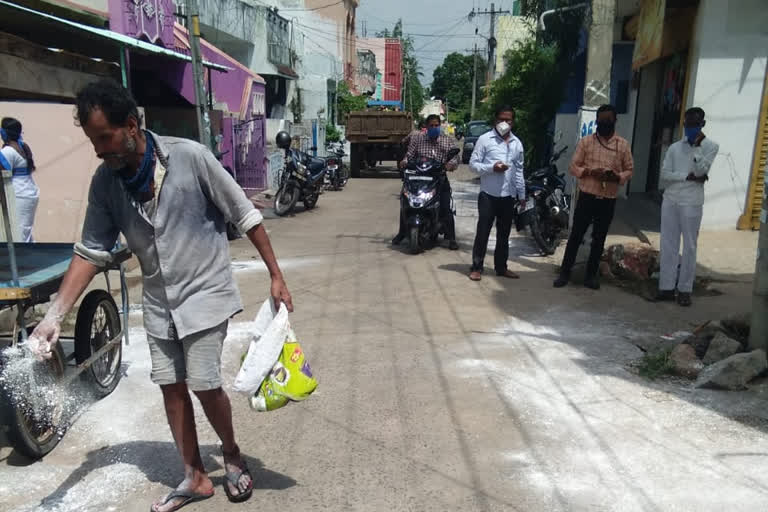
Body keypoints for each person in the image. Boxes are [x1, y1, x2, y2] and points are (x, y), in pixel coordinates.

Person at [27, 79, 293, 512]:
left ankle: (230, 452)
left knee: (206, 385)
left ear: (130, 126)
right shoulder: (106, 182)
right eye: (92, 140)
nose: (98, 149)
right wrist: (55, 314)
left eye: (104, 138)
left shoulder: (189, 158)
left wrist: (276, 275)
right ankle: (196, 477)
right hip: (159, 302)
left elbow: (245, 214)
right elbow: (90, 251)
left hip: (206, 293)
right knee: (171, 388)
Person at [553, 104, 634, 290]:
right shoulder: (586, 142)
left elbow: (629, 169)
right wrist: (589, 171)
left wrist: (617, 177)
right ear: (596, 120)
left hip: (608, 199)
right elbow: (573, 167)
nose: (604, 123)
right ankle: (565, 273)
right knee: (576, 236)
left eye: (608, 120)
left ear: (615, 121)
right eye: (601, 120)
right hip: (587, 197)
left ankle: (591, 276)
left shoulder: (622, 145)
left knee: (599, 239)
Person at [657, 107, 718, 307]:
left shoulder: (711, 147)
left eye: (694, 125)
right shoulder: (675, 148)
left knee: (690, 246)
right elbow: (665, 174)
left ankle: (685, 290)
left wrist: (697, 148)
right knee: (668, 244)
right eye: (687, 125)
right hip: (671, 199)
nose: (690, 128)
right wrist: (686, 177)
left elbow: (701, 171)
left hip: (691, 202)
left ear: (702, 124)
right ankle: (666, 287)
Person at [468, 105, 525, 282]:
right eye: (501, 119)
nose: (504, 123)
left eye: (508, 120)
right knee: (483, 231)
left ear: (513, 122)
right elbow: (472, 165)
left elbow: (519, 171)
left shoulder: (517, 143)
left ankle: (501, 268)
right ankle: (477, 267)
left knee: (504, 234)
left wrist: (522, 195)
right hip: (488, 195)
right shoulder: (485, 140)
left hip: (508, 196)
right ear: (495, 120)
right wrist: (491, 168)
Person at [392, 114, 460, 250]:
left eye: (436, 125)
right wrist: (404, 162)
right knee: (406, 201)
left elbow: (455, 157)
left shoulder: (446, 141)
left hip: (438, 178)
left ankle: (451, 237)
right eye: (431, 125)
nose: (434, 128)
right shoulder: (418, 139)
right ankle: (402, 232)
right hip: (418, 177)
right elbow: (409, 154)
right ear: (426, 127)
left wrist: (450, 164)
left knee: (446, 206)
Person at [0, 117, 39, 242]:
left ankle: (22, 260)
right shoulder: (23, 146)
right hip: (29, 192)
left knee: (19, 233)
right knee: (25, 231)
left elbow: (3, 175)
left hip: (18, 194)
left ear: (4, 133)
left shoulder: (7, 152)